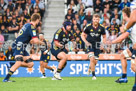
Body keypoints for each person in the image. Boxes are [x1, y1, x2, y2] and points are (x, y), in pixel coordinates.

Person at [3, 13, 44, 82]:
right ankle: (6, 79)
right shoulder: (32, 27)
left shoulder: (26, 25)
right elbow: (36, 41)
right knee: (19, 62)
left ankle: (12, 63)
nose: (39, 22)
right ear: (37, 20)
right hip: (19, 45)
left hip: (21, 46)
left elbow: (22, 35)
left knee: (31, 64)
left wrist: (30, 41)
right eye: (39, 20)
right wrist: (42, 42)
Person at [81, 14, 106, 80]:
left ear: (99, 20)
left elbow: (104, 37)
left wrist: (102, 44)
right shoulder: (88, 27)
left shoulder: (102, 28)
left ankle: (90, 67)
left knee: (95, 62)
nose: (95, 21)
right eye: (94, 19)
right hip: (90, 44)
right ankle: (93, 75)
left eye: (97, 19)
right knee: (92, 58)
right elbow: (82, 35)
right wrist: (86, 42)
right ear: (92, 20)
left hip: (97, 45)